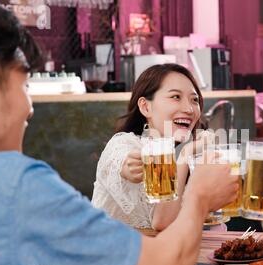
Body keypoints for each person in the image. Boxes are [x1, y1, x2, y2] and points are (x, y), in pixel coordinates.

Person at [0, 0, 238, 265]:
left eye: (194, 100)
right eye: (24, 86)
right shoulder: (17, 188)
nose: (29, 108)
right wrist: (199, 197)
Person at [92, 63, 217, 231]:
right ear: (145, 107)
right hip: (114, 254)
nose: (189, 109)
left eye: (194, 100)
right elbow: (163, 222)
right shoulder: (123, 144)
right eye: (175, 97)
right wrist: (129, 168)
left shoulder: (188, 150)